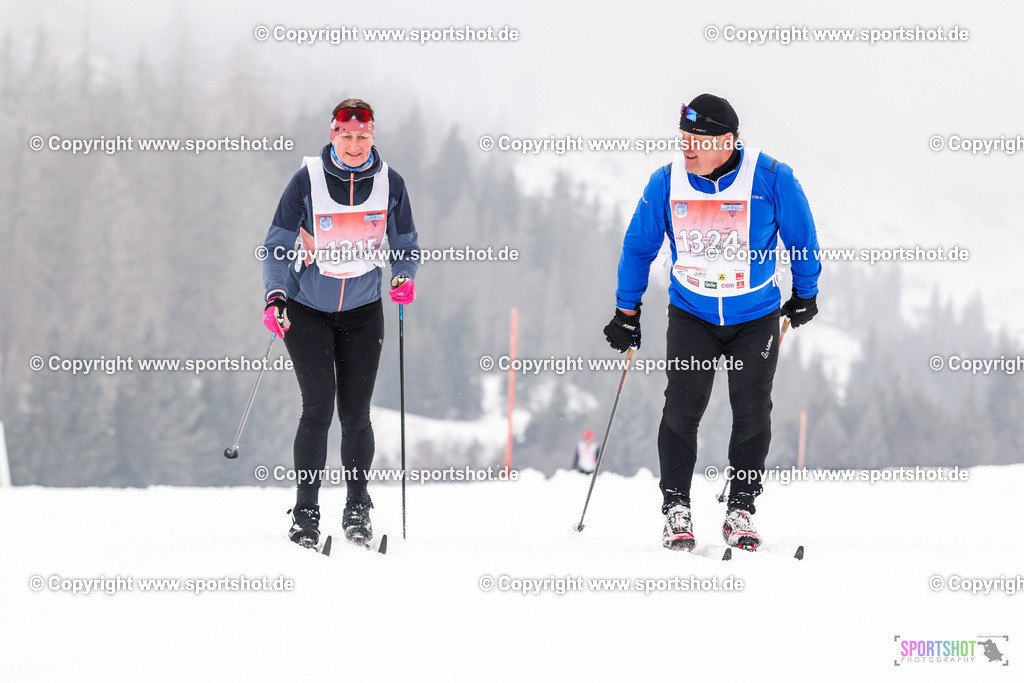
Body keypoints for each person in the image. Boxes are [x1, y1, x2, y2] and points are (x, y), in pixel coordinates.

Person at [603, 94, 820, 551]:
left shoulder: (773, 178)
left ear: (727, 140)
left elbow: (802, 238)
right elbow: (638, 248)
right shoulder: (666, 183)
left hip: (754, 318)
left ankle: (740, 509)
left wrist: (806, 292)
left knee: (752, 412)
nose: (686, 149)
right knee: (682, 409)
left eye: (696, 141)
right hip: (692, 316)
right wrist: (627, 311)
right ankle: (676, 510)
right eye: (682, 139)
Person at [262, 98, 420, 548]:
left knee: (356, 415)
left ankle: (357, 508)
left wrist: (405, 276)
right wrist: (274, 297)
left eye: (363, 136)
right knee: (318, 410)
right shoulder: (306, 180)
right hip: (307, 308)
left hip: (364, 313)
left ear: (374, 136)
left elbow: (405, 244)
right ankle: (306, 513)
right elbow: (275, 245)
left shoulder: (391, 183)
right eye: (346, 135)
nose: (354, 145)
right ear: (333, 134)